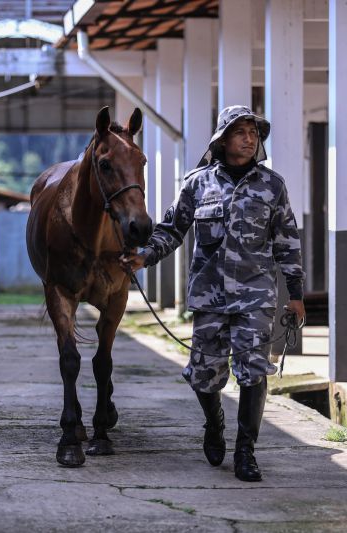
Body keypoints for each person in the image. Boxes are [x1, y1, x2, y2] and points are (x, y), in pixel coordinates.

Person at [120, 105, 305, 482]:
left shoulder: (272, 186)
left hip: (256, 296)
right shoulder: (197, 184)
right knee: (204, 375)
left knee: (253, 371)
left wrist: (296, 293)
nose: (250, 139)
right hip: (210, 297)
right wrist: (144, 257)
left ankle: (246, 451)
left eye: (254, 133)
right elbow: (171, 230)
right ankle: (214, 422)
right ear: (222, 139)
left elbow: (287, 242)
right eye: (241, 132)